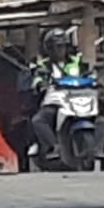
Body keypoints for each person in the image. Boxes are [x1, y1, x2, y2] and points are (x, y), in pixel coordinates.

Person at [28, 28, 90, 160]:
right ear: (49, 49)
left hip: (79, 100)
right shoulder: (43, 65)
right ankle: (53, 146)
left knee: (103, 117)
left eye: (63, 46)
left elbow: (88, 73)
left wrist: (97, 81)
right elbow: (36, 78)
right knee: (38, 121)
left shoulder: (76, 62)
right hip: (55, 102)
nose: (61, 50)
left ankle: (98, 148)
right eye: (57, 47)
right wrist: (40, 84)